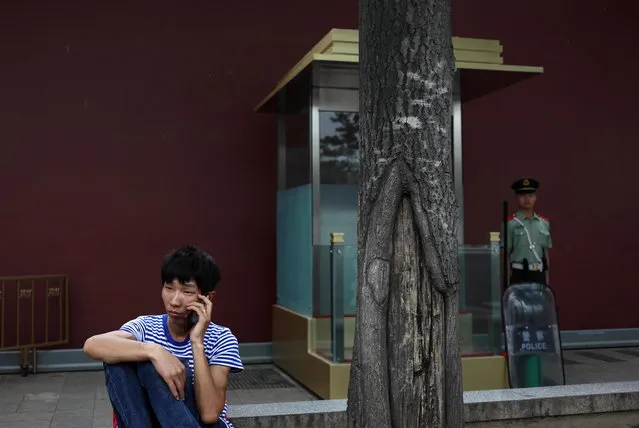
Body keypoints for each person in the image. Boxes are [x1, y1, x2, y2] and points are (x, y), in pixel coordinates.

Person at [83, 245, 243, 428]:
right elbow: (92, 345)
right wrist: (155, 351)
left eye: (187, 292)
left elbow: (209, 414)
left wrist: (197, 342)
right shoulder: (145, 326)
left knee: (146, 366)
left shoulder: (221, 338)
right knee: (119, 359)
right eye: (169, 288)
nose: (174, 301)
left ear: (208, 297)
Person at [506, 177, 552, 285]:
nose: (527, 199)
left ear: (535, 197)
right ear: (517, 197)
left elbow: (545, 254)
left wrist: (547, 281)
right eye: (522, 195)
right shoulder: (510, 224)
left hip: (538, 273)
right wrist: (507, 282)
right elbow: (505, 256)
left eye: (530, 195)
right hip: (519, 273)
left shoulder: (544, 223)